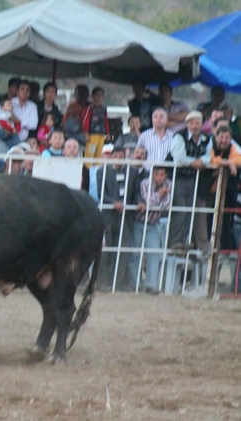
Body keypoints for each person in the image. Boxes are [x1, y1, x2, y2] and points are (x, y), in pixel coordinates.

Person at [167, 110, 212, 251]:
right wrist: (195, 162)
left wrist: (202, 161)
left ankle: (183, 240)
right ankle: (174, 241)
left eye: (197, 122)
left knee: (189, 209)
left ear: (201, 124)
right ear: (187, 124)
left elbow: (209, 156)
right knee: (181, 209)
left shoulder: (206, 138)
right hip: (177, 176)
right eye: (191, 123)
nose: (194, 126)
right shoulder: (179, 136)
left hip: (192, 178)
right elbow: (179, 157)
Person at [96, 146, 138, 289]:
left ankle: (118, 283)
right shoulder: (102, 171)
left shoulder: (132, 172)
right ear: (112, 156)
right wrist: (114, 203)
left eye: (122, 156)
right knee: (106, 249)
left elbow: (136, 192)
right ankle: (103, 282)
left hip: (126, 216)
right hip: (108, 216)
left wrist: (140, 203)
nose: (119, 159)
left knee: (122, 249)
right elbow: (101, 193)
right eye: (117, 156)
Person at [128, 166, 172, 293]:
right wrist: (160, 194)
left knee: (154, 252)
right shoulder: (145, 183)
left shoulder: (169, 184)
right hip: (139, 221)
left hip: (153, 223)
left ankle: (151, 285)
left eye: (162, 174)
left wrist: (154, 200)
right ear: (152, 174)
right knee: (135, 252)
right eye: (156, 174)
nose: (159, 177)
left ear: (165, 176)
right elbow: (147, 200)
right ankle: (134, 283)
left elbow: (166, 205)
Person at [82, 86, 110, 166]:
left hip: (101, 135)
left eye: (101, 95)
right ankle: (87, 171)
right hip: (92, 135)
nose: (98, 97)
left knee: (98, 154)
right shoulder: (89, 108)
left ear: (103, 97)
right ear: (92, 96)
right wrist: (86, 133)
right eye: (96, 95)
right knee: (90, 153)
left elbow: (106, 121)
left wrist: (107, 132)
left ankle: (96, 171)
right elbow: (85, 121)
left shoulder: (104, 108)